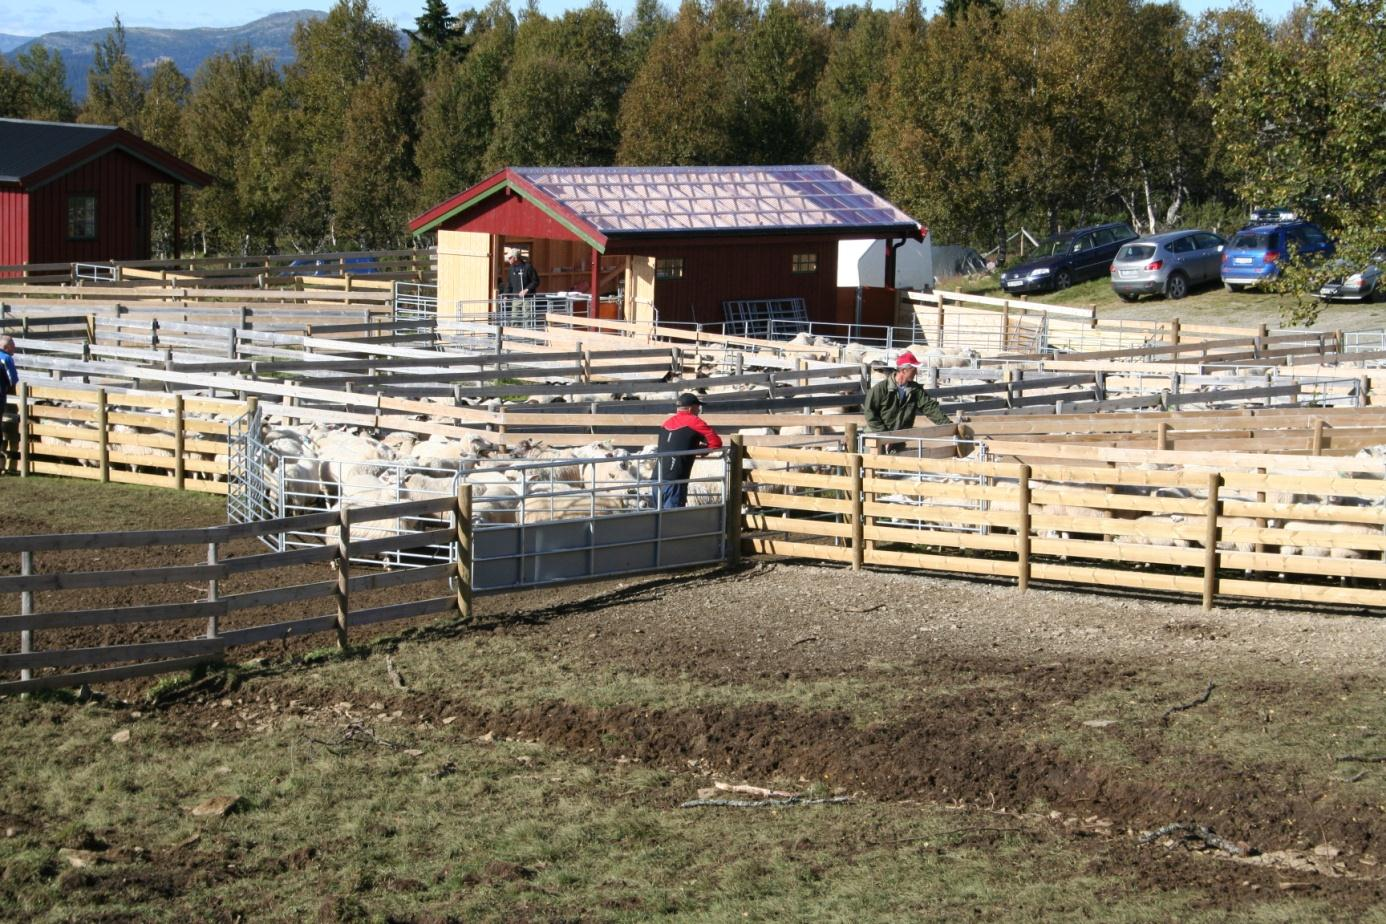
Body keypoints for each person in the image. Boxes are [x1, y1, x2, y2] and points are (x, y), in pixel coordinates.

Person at [656, 393, 723, 509]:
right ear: (691, 408)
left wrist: (693, 449)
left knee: (657, 519)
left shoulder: (666, 423)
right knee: (673, 519)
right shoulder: (694, 421)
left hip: (656, 478)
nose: (699, 410)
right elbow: (716, 442)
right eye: (698, 407)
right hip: (676, 480)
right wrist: (702, 450)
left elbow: (676, 444)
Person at [864, 350, 948, 436]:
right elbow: (870, 413)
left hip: (898, 439)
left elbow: (929, 407)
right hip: (875, 438)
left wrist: (947, 425)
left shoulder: (915, 390)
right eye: (914, 369)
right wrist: (884, 435)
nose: (916, 372)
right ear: (904, 371)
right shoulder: (880, 389)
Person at [0, 335, 17, 471]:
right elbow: (13, 380)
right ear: (6, 347)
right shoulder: (6, 358)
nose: (15, 348)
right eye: (13, 345)